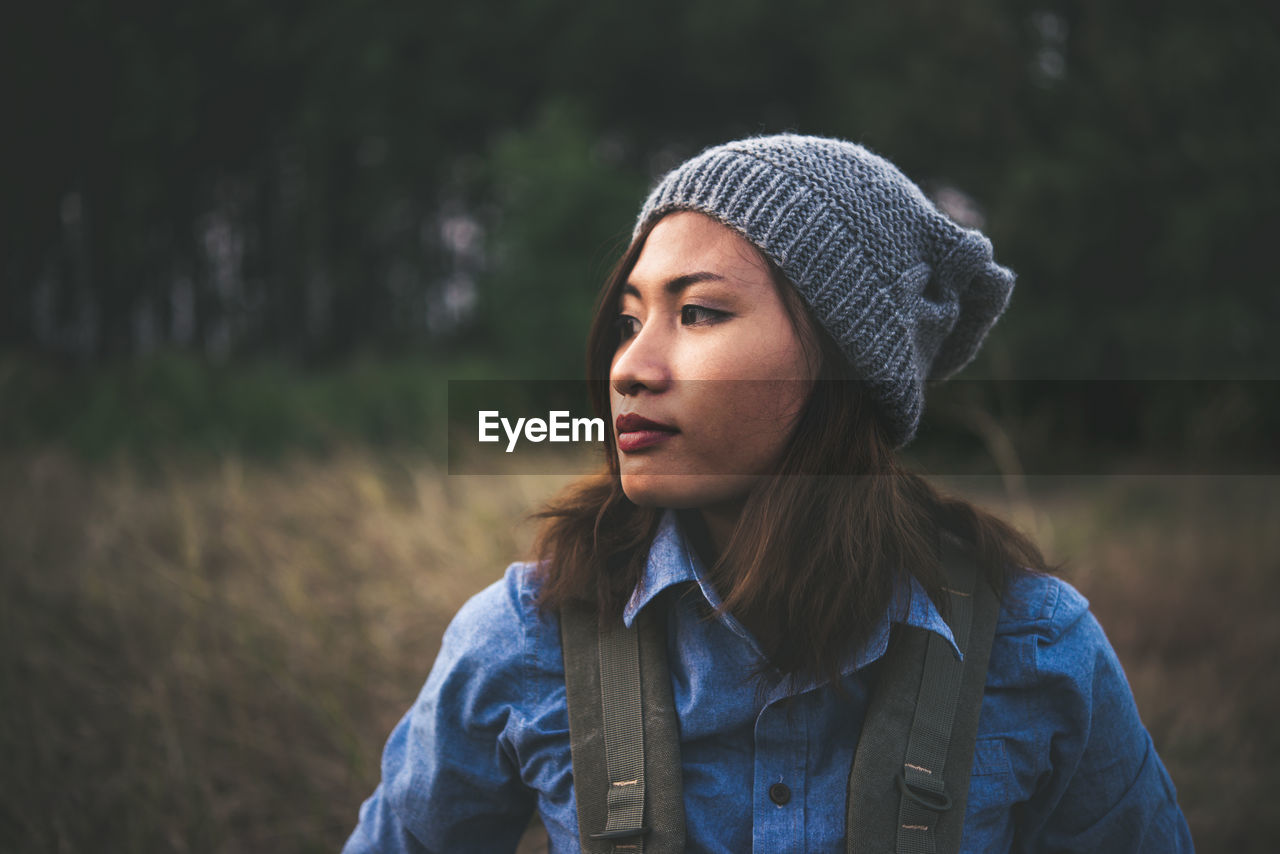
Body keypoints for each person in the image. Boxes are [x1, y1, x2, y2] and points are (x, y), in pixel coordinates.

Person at [343, 134, 1193, 852]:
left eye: (700, 313)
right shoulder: (525, 636)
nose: (631, 369)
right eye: (631, 321)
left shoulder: (1036, 647)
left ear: (841, 363)